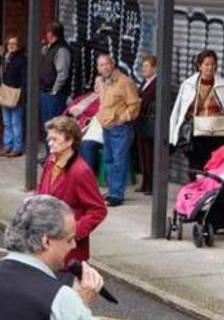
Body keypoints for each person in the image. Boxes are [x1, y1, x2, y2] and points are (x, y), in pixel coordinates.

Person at [36, 116, 107, 264]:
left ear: (69, 141)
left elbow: (98, 210)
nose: (50, 144)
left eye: (55, 139)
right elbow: (41, 194)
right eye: (49, 139)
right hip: (46, 249)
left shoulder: (81, 171)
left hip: (69, 256)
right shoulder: (51, 161)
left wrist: (71, 234)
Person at [168, 49, 224, 170]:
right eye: (206, 64)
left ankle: (207, 188)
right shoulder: (188, 85)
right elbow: (178, 111)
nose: (210, 68)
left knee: (213, 166)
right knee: (194, 167)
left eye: (213, 64)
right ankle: (195, 187)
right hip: (195, 134)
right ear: (200, 66)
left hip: (216, 135)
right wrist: (172, 136)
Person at [94, 53, 141, 206]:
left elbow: (134, 104)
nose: (104, 67)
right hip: (106, 126)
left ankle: (116, 194)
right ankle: (112, 190)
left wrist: (122, 118)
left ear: (112, 64)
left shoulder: (124, 82)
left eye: (107, 64)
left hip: (120, 128)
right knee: (109, 160)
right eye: (101, 65)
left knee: (119, 161)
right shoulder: (102, 82)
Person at [0, 35, 27, 158]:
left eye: (14, 43)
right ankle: (8, 146)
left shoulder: (21, 59)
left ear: (18, 45)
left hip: (16, 93)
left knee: (16, 122)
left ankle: (17, 148)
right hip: (5, 92)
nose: (11, 45)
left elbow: (24, 79)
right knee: (7, 122)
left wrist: (22, 95)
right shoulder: (5, 58)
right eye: (9, 43)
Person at [39, 22, 72, 126]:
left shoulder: (62, 50)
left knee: (55, 123)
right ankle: (48, 142)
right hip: (46, 90)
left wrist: (55, 90)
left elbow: (63, 73)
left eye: (48, 32)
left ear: (52, 34)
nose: (46, 34)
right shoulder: (50, 48)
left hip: (55, 94)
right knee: (47, 123)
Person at [135, 55, 158, 193]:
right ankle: (145, 182)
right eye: (143, 66)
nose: (143, 69)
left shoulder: (157, 83)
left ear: (155, 68)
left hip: (150, 123)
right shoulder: (145, 82)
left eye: (147, 66)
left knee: (150, 154)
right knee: (143, 154)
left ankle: (151, 185)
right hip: (142, 122)